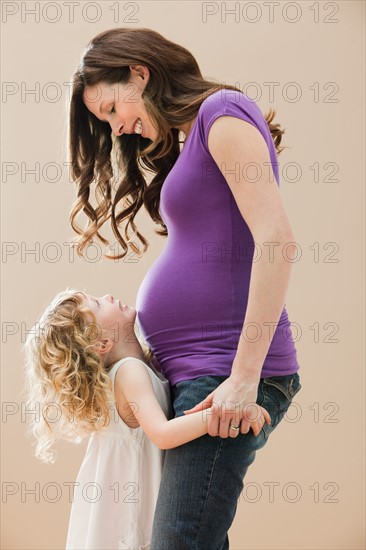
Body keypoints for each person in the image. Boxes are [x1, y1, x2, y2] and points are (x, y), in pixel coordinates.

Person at [68, 28, 302, 549]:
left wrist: (242, 381)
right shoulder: (196, 132)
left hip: (226, 373)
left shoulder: (221, 112)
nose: (117, 127)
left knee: (180, 540)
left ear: (139, 73)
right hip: (200, 374)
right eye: (105, 121)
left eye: (110, 107)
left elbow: (277, 241)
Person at [22, 288, 271, 549]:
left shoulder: (135, 368)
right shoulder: (129, 372)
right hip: (130, 509)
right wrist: (229, 411)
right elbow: (162, 433)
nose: (106, 296)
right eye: (96, 303)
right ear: (102, 343)